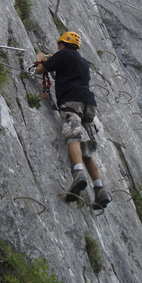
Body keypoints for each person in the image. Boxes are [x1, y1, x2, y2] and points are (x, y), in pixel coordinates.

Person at [34, 31, 111, 209]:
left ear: (62, 44)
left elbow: (40, 69)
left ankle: (78, 173)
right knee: (86, 146)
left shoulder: (63, 54)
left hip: (72, 102)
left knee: (72, 136)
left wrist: (40, 58)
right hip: (88, 105)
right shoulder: (82, 62)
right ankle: (99, 189)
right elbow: (62, 73)